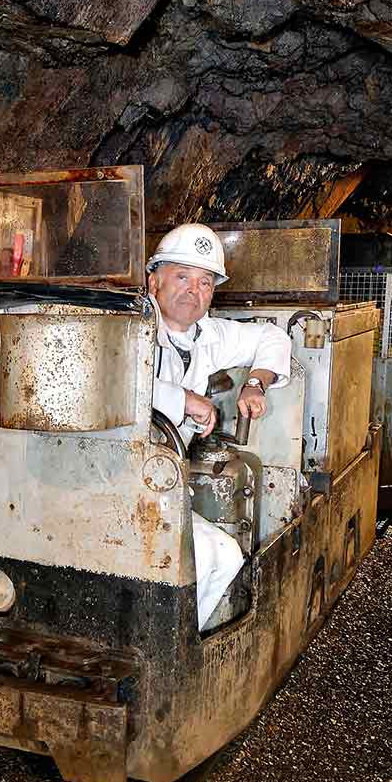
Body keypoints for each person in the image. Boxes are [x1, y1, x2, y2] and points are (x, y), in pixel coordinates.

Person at [148, 223, 292, 630]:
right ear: (153, 280)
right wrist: (182, 400)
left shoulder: (208, 334)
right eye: (182, 276)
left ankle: (177, 640)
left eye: (205, 282)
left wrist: (254, 383)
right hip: (111, 477)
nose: (193, 290)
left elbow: (273, 338)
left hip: (162, 481)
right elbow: (109, 375)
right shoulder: (129, 325)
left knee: (225, 555)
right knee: (196, 556)